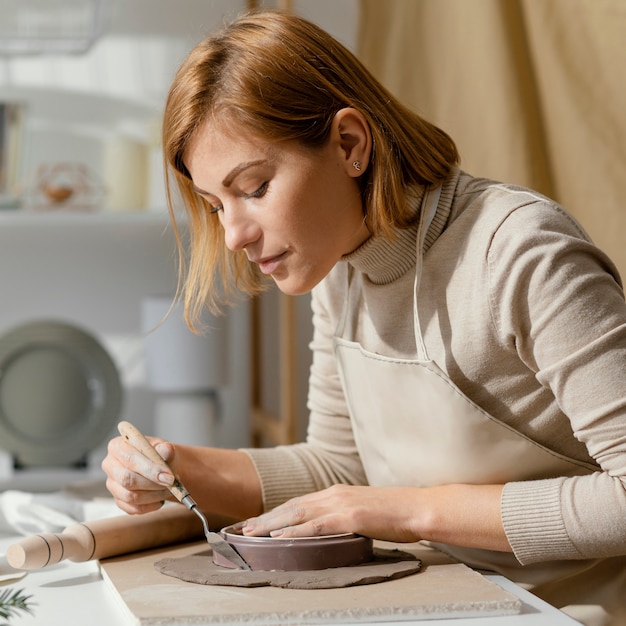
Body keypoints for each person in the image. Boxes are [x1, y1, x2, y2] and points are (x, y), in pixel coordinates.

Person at [102, 10, 626, 625]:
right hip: (444, 603)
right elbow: (340, 469)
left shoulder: (522, 253)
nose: (235, 233)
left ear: (349, 144)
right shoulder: (339, 265)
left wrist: (406, 511)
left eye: (255, 187)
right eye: (217, 205)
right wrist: (181, 469)